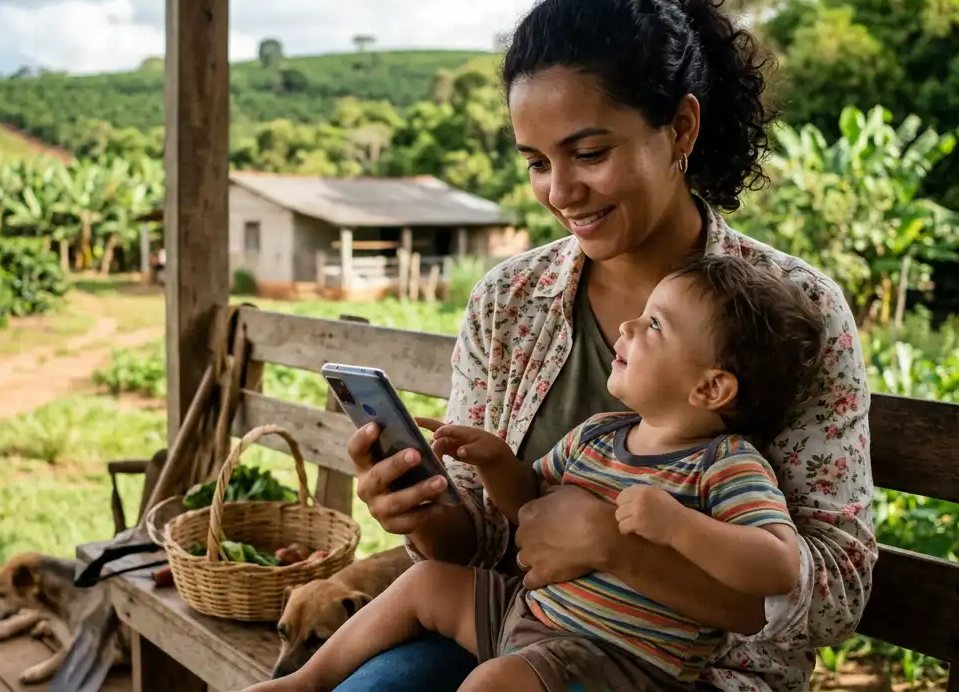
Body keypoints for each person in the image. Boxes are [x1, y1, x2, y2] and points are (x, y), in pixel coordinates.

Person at [335, 0, 877, 692]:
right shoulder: (510, 300)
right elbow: (489, 538)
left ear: (680, 128)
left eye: (589, 154)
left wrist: (617, 549)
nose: (560, 192)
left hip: (686, 673)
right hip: (518, 632)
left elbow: (833, 589)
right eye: (536, 162)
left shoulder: (789, 308)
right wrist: (424, 513)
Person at [248, 255, 827, 692]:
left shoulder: (725, 466)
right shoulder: (600, 434)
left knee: (488, 686)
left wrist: (679, 527)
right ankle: (306, 682)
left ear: (710, 387)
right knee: (427, 585)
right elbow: (530, 504)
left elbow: (776, 566)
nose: (628, 327)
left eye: (653, 326)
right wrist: (497, 461)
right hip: (534, 617)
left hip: (619, 661)